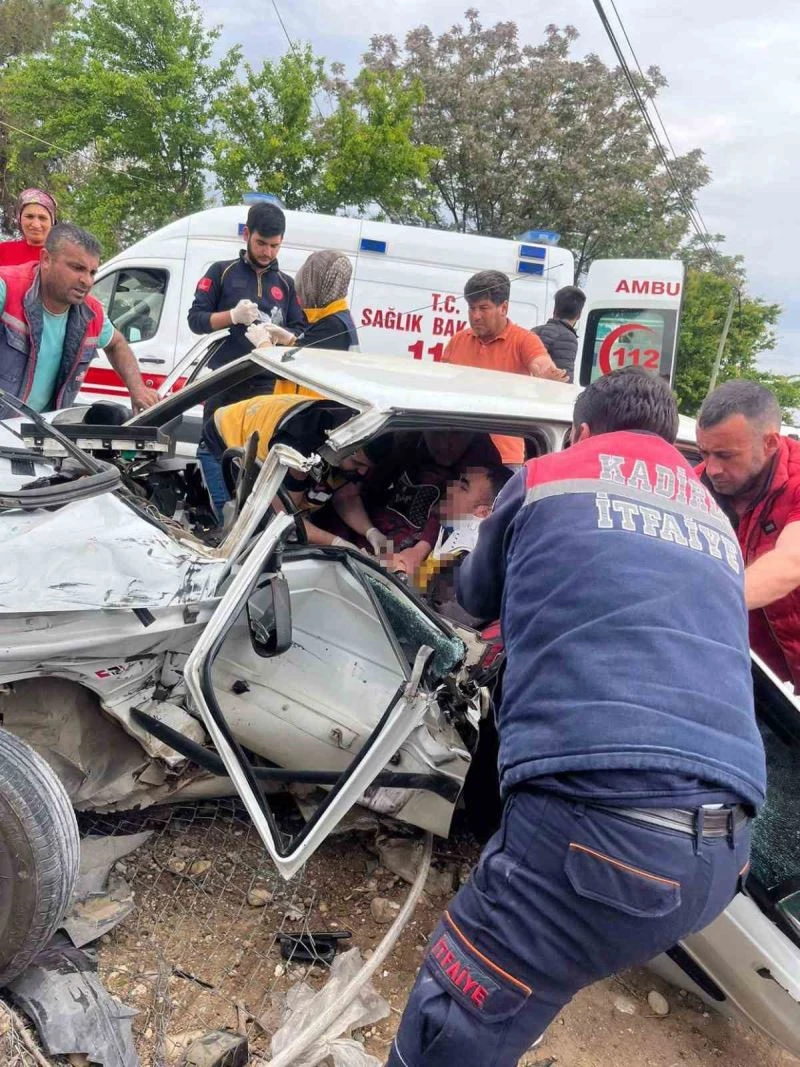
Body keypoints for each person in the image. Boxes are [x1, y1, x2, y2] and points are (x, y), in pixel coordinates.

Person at [387, 366, 765, 1067]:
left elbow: (474, 596)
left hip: (603, 832)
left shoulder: (548, 476)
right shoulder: (712, 514)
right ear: (669, 437)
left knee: (450, 1017)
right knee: (525, 988)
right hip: (727, 852)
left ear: (584, 430)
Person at [696, 380, 800, 691]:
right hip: (752, 683)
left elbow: (790, 561)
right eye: (704, 452)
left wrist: (697, 604)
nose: (712, 468)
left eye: (725, 456)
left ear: (770, 443)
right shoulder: (692, 489)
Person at [0, 223, 158, 418]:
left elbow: (116, 343)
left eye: (92, 272)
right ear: (46, 259)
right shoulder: (6, 288)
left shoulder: (91, 314)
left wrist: (138, 389)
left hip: (40, 434)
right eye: (77, 268)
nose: (87, 281)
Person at [201, 392, 389, 540]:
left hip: (282, 425)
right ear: (344, 449)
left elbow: (347, 497)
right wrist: (340, 545)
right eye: (358, 464)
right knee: (241, 528)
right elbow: (284, 518)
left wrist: (372, 533)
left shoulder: (359, 435)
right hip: (226, 435)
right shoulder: (302, 448)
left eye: (367, 467)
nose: (362, 472)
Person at [441, 271, 567, 467]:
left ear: (504, 308)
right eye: (471, 308)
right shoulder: (458, 340)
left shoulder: (524, 340)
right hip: (456, 454)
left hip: (504, 458)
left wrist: (547, 374)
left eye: (484, 308)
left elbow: (541, 364)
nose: (476, 316)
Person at [187, 200, 306, 374]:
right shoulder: (221, 271)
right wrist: (232, 316)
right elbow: (195, 321)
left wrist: (279, 334)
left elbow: (301, 334)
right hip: (223, 379)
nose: (267, 252)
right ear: (246, 234)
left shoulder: (287, 284)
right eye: (261, 243)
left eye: (274, 246)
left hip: (269, 380)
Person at [245, 248, 358, 400]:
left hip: (316, 414)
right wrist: (292, 341)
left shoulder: (333, 325)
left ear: (319, 284)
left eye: (308, 282)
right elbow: (311, 354)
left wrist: (263, 343)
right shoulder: (337, 317)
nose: (303, 291)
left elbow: (285, 368)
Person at [532, 284, 586, 382]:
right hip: (547, 395)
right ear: (579, 315)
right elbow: (565, 378)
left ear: (554, 310)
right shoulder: (568, 338)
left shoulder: (534, 331)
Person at [0, 189, 58, 267]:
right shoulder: (3, 251)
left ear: (52, 222)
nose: (36, 224)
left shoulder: (63, 255)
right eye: (29, 217)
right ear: (19, 219)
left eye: (42, 218)